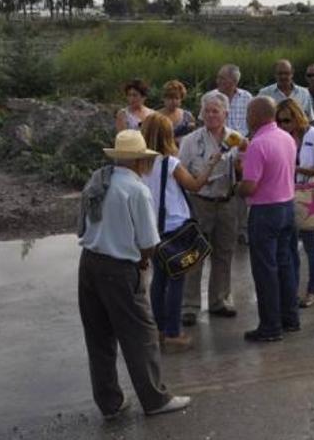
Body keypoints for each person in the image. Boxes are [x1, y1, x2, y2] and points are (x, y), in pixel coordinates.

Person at [77, 129, 190, 418]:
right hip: (119, 267)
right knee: (140, 334)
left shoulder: (98, 179)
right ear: (141, 161)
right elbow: (149, 243)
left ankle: (110, 403)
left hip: (89, 262)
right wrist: (142, 264)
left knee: (99, 337)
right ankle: (155, 400)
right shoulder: (137, 190)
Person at [140, 113, 220, 352]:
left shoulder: (141, 164)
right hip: (175, 228)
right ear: (167, 135)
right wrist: (211, 165)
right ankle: (174, 333)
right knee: (177, 279)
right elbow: (195, 185)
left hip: (153, 228)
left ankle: (159, 329)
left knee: (158, 281)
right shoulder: (170, 163)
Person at [237, 96, 300, 342]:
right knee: (284, 265)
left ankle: (270, 326)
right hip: (287, 206)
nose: (246, 117)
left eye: (249, 113)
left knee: (265, 270)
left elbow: (250, 187)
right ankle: (290, 318)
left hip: (265, 211)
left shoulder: (258, 144)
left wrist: (236, 187)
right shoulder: (287, 138)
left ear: (257, 116)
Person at [177, 92, 241, 326]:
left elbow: (244, 167)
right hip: (200, 202)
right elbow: (180, 172)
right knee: (194, 255)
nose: (212, 115)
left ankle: (220, 300)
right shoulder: (190, 140)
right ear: (202, 113)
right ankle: (189, 305)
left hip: (227, 202)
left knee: (224, 254)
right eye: (208, 110)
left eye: (217, 110)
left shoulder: (236, 138)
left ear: (226, 113)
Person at [276, 99, 314, 309]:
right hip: (286, 195)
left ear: (297, 116)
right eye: (279, 121)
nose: (283, 125)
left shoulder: (313, 136)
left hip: (307, 195)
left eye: (287, 120)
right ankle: (291, 290)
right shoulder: (283, 137)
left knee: (310, 245)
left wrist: (295, 169)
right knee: (289, 247)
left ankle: (313, 290)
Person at [203, 64, 254, 244]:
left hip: (241, 149)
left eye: (221, 78)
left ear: (233, 81)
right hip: (217, 149)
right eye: (218, 78)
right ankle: (215, 228)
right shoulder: (209, 97)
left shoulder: (247, 97)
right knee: (218, 186)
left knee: (240, 188)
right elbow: (205, 124)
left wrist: (243, 145)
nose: (217, 81)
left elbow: (252, 124)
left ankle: (242, 229)